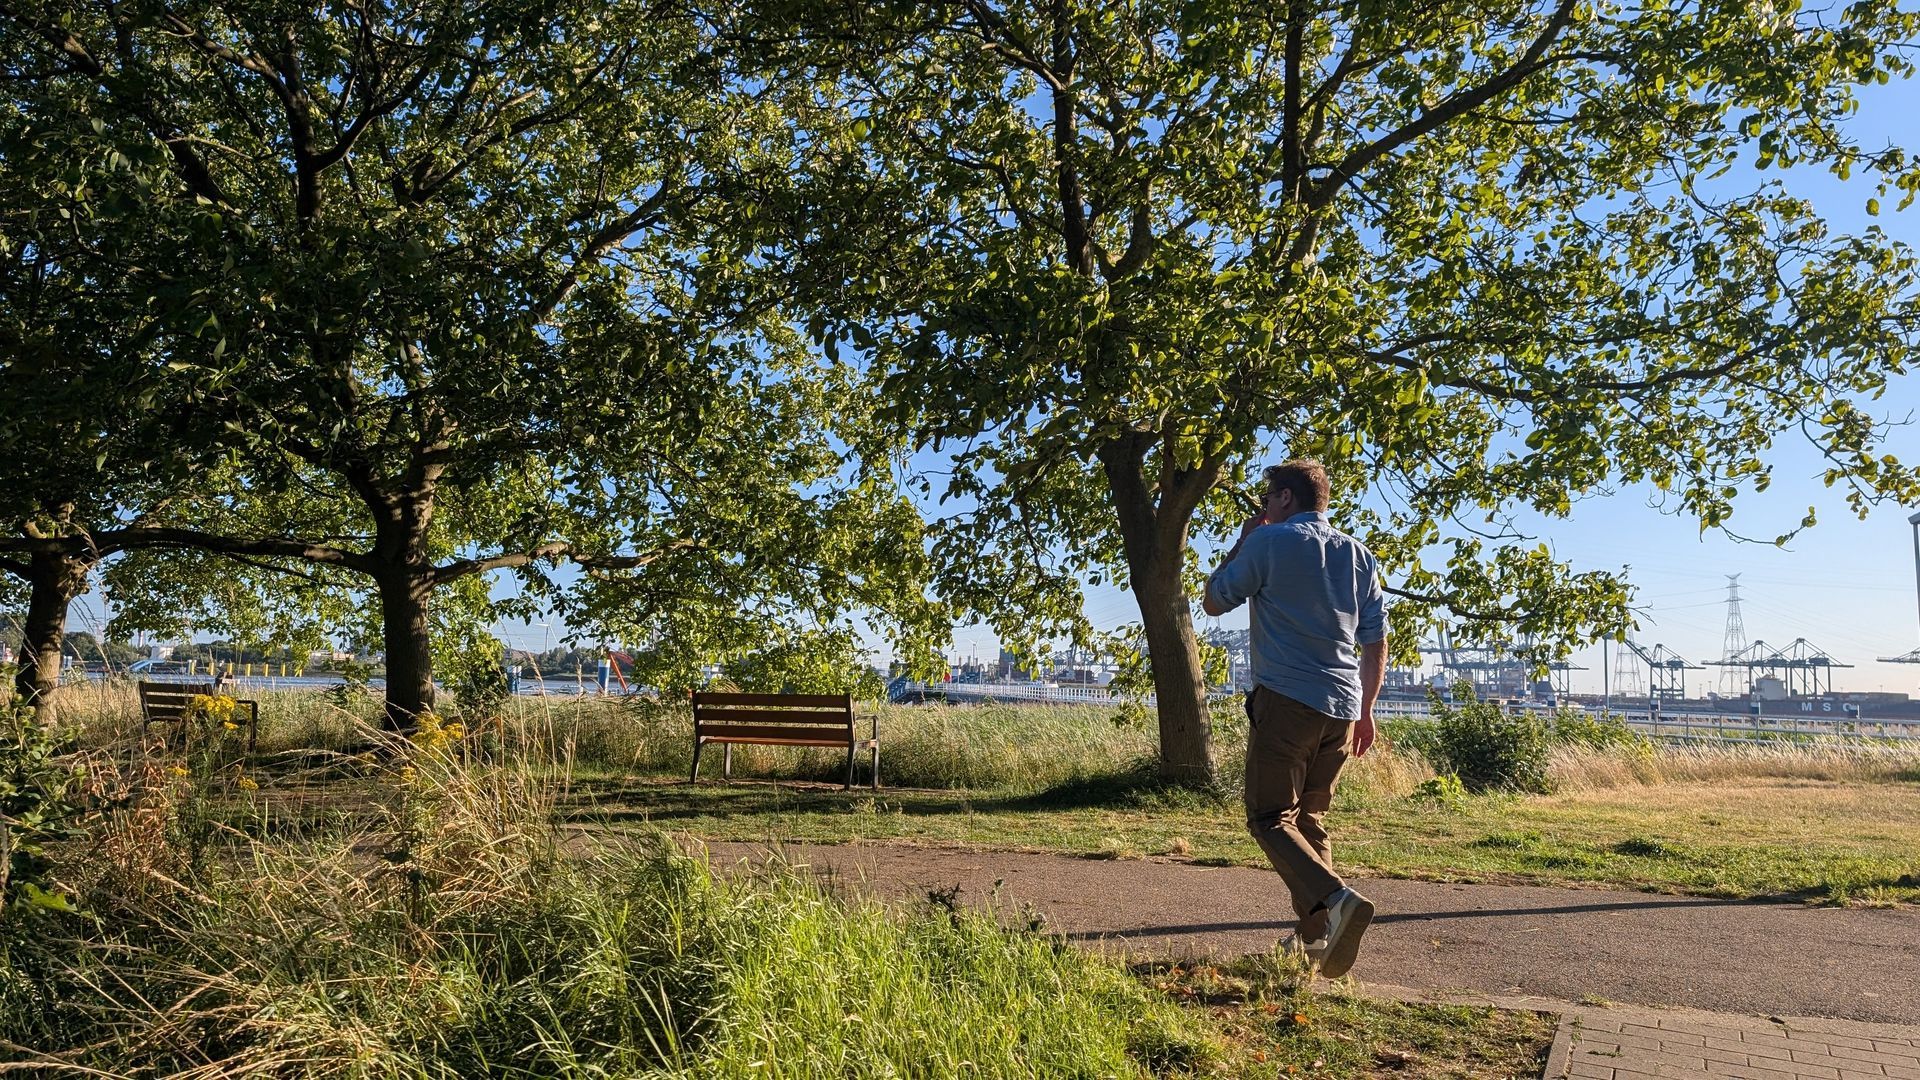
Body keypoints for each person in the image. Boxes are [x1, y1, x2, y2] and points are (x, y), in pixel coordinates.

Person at [1201, 459, 1387, 978]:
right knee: (1308, 820)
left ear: (1285, 498)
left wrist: (1242, 543)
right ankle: (1314, 942)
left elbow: (1214, 601)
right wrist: (1367, 710)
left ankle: (1338, 899)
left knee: (1267, 817)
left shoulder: (1269, 542)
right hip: (1344, 708)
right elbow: (1375, 641)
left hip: (1286, 700)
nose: (1263, 507)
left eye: (1268, 498)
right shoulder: (1359, 555)